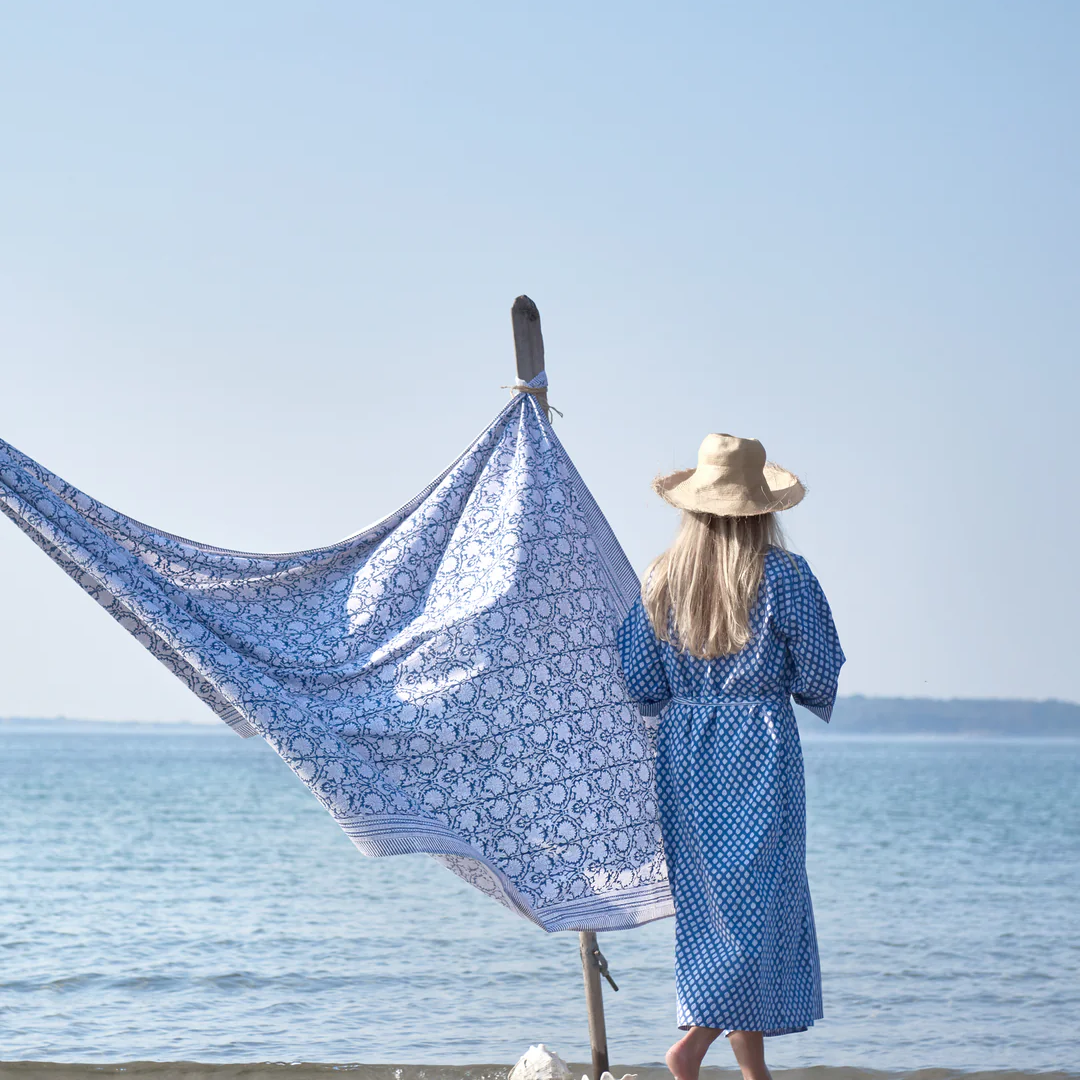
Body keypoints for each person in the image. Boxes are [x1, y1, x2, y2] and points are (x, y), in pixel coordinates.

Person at [617, 433, 845, 1080]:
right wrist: (767, 681)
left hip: (686, 753)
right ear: (761, 509)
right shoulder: (785, 575)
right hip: (760, 749)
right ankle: (691, 1048)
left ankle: (754, 1073)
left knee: (717, 905)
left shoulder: (663, 576)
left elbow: (640, 680)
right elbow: (819, 669)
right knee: (763, 902)